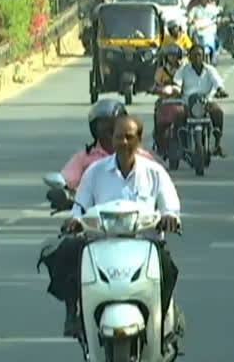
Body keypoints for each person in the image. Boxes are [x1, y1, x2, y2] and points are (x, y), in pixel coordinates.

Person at [66, 116, 182, 329]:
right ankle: (76, 317)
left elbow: (171, 206)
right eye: (119, 137)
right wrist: (74, 220)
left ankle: (164, 323)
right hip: (101, 245)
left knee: (169, 271)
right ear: (112, 139)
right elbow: (80, 206)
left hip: (147, 245)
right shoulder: (95, 172)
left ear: (138, 139)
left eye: (129, 137)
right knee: (69, 259)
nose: (124, 142)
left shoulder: (155, 172)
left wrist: (169, 218)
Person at [171, 44, 226, 156]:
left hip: (206, 102)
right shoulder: (183, 70)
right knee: (178, 114)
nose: (197, 58)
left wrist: (220, 90)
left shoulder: (210, 70)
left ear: (204, 57)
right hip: (187, 103)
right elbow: (177, 82)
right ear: (189, 57)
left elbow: (217, 82)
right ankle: (180, 142)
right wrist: (175, 90)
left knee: (218, 112)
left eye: (199, 55)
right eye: (194, 55)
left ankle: (217, 143)